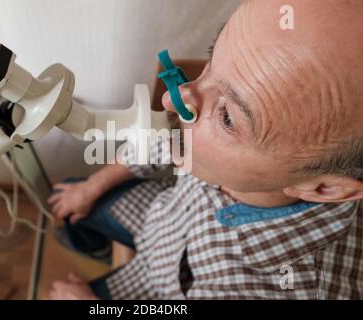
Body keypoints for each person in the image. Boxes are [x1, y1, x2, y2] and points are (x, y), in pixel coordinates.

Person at [48, 0, 363, 299]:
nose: (174, 98)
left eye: (227, 116)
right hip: (162, 222)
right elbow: (161, 143)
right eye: (212, 60)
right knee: (72, 198)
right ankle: (96, 247)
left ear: (324, 187)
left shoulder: (271, 288)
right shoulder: (229, 145)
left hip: (162, 290)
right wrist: (93, 186)